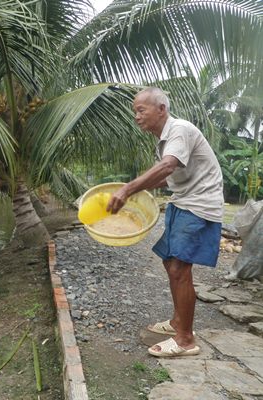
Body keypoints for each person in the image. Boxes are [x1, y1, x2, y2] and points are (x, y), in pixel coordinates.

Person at [107, 87, 223, 357]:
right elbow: (168, 177)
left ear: (161, 109)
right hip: (182, 201)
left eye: (141, 110)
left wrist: (127, 190)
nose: (136, 116)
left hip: (199, 205)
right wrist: (135, 192)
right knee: (170, 262)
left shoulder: (179, 130)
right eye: (135, 111)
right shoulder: (163, 140)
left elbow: (168, 166)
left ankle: (185, 340)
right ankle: (177, 324)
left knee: (180, 269)